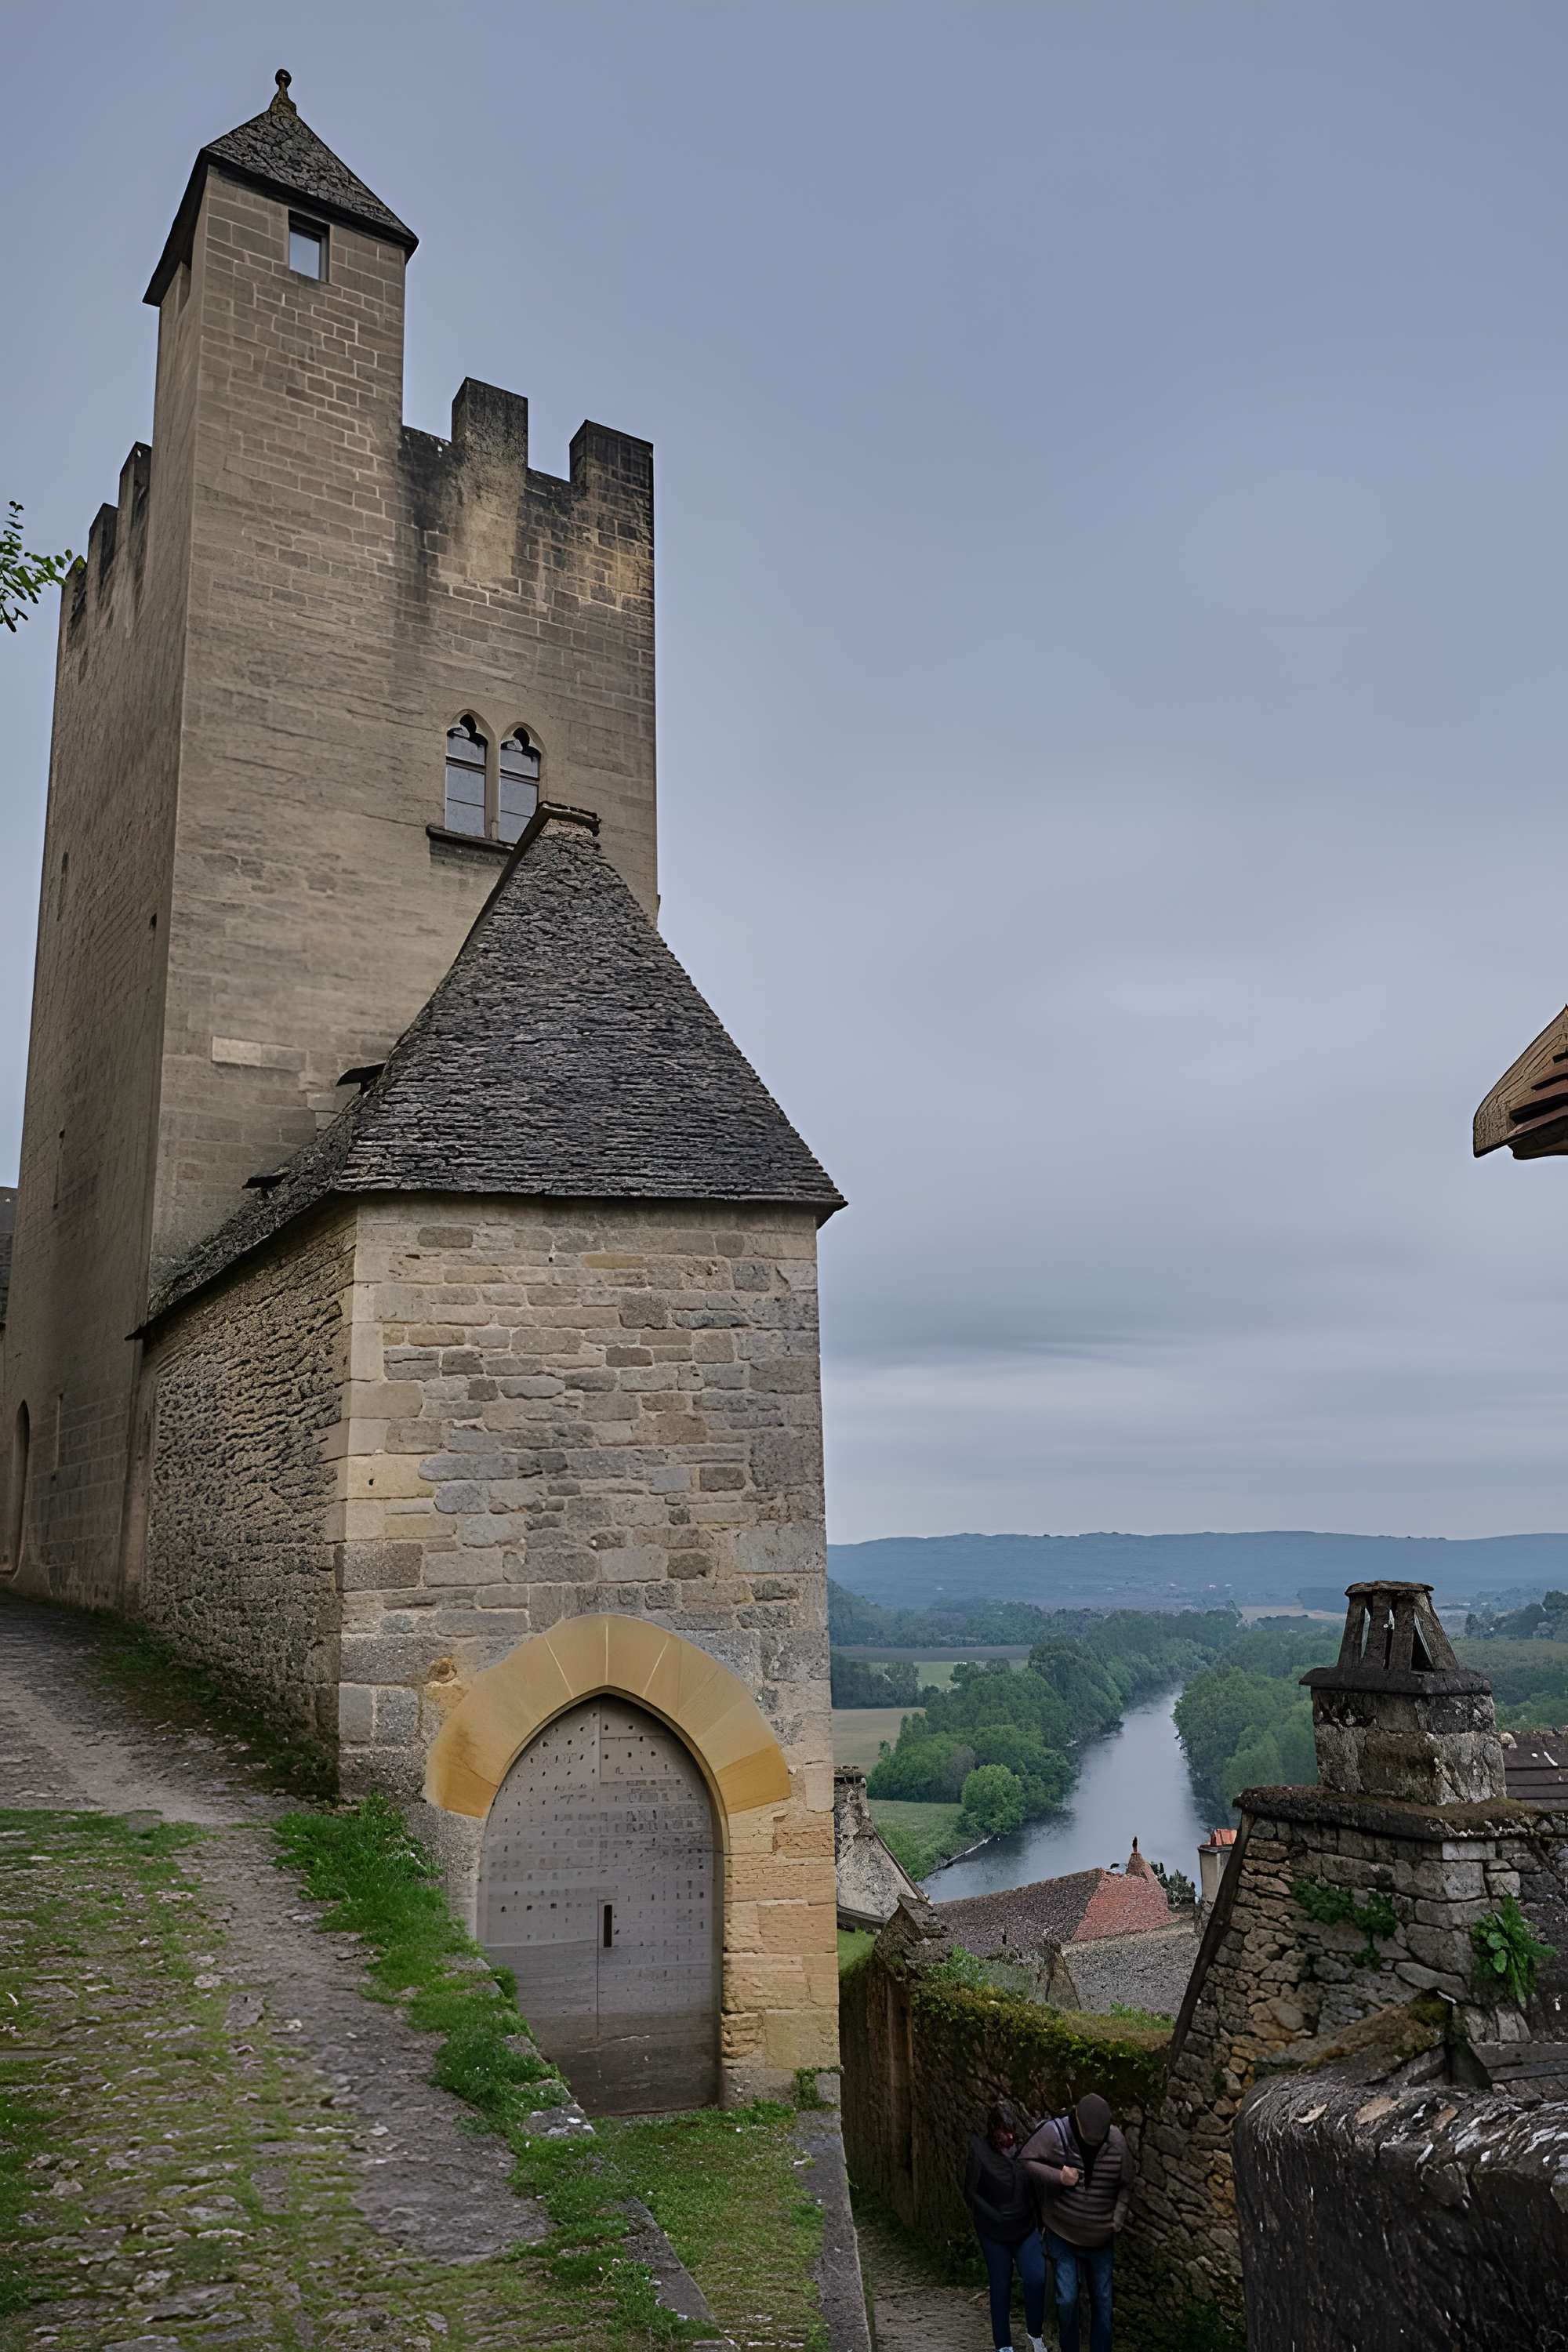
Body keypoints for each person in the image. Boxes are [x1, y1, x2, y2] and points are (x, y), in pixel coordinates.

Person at [1020, 2092, 1132, 2352]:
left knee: (1103, 2304)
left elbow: (1127, 2183)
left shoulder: (1117, 2141)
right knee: (1067, 2300)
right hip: (1063, 2235)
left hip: (1101, 2239)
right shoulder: (1056, 2134)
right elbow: (1026, 2160)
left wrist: (1119, 2216)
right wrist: (1058, 2176)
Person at [960, 2097, 1048, 2352]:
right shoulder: (979, 2151)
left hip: (1024, 2227)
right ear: (993, 2129)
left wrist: (1041, 2222)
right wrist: (993, 2214)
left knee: (1036, 2278)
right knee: (1001, 2284)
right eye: (1003, 2132)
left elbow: (1035, 2187)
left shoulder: (1024, 2150)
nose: (1008, 2138)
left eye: (1011, 2133)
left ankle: (1035, 2334)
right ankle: (1004, 2345)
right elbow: (970, 2192)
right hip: (993, 2232)